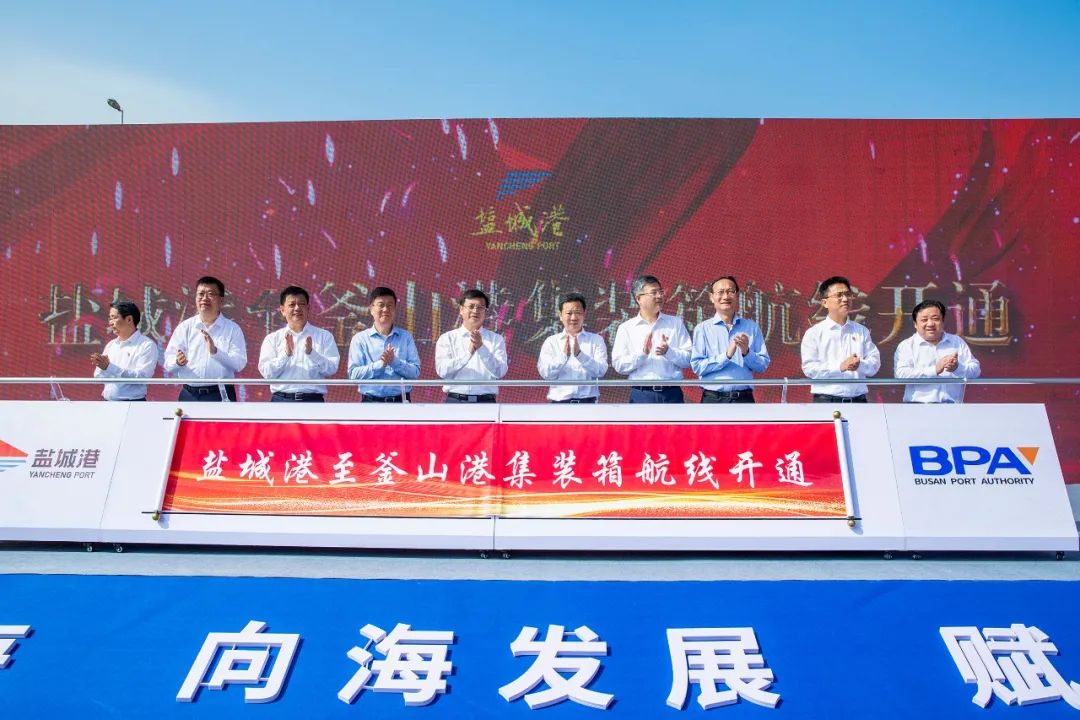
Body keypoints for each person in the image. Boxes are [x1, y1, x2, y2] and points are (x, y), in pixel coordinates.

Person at [163, 276, 247, 402]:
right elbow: (168, 363)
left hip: (221, 394)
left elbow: (239, 364)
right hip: (189, 394)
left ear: (221, 300)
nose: (204, 298)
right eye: (201, 294)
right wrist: (178, 362)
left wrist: (216, 352)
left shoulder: (232, 329)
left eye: (211, 294)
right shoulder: (185, 327)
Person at [611, 275, 692, 403]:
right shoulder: (626, 328)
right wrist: (642, 354)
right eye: (654, 293)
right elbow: (619, 365)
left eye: (660, 292)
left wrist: (668, 352)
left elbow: (689, 359)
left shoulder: (675, 323)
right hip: (642, 394)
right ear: (639, 298)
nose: (659, 296)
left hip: (672, 393)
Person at [800, 275, 881, 403]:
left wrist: (859, 364)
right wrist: (840, 367)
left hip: (859, 401)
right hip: (826, 400)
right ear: (825, 303)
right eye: (839, 295)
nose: (845, 299)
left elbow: (874, 364)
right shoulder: (814, 333)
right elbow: (809, 369)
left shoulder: (861, 331)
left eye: (848, 295)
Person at [690, 276, 770, 403]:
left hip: (743, 399)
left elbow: (762, 365)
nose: (726, 296)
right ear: (711, 297)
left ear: (737, 296)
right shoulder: (702, 329)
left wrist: (746, 352)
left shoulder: (751, 327)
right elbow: (697, 367)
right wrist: (726, 356)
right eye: (720, 292)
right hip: (712, 399)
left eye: (730, 291)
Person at [258, 285, 340, 402]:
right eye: (292, 305)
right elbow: (267, 373)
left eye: (301, 304)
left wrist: (312, 354)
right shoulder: (272, 339)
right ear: (282, 310)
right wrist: (286, 355)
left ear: (308, 308)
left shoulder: (324, 336)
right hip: (281, 401)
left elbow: (331, 369)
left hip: (313, 401)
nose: (297, 308)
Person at [894, 299, 981, 403]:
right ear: (915, 324)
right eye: (924, 320)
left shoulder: (957, 342)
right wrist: (934, 370)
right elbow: (901, 375)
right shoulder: (906, 345)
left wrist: (957, 368)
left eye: (935, 319)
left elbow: (976, 371)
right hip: (917, 407)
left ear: (943, 321)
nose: (930, 324)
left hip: (953, 407)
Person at [347, 287, 421, 402]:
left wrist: (394, 362)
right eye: (381, 305)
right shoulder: (360, 339)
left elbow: (415, 372)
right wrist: (381, 364)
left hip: (401, 402)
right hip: (370, 403)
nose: (385, 309)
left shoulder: (406, 337)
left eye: (390, 305)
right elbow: (354, 375)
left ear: (395, 310)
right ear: (371, 309)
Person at [435, 288, 508, 403]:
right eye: (471, 306)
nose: (475, 311)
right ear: (461, 309)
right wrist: (468, 354)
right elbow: (442, 371)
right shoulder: (447, 338)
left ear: (485, 312)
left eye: (480, 307)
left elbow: (500, 372)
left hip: (486, 402)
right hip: (455, 401)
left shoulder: (496, 339)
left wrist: (481, 348)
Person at [536, 293, 609, 403]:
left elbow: (601, 371)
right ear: (560, 315)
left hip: (588, 403)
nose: (573, 318)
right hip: (560, 403)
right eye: (569, 313)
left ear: (584, 314)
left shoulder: (596, 340)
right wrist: (563, 357)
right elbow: (546, 374)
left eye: (578, 313)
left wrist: (580, 355)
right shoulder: (551, 342)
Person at [91, 300, 158, 401]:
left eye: (114, 318)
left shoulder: (146, 345)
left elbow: (142, 377)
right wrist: (101, 366)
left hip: (133, 404)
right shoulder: (111, 344)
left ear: (129, 319)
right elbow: (98, 376)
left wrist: (109, 367)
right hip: (107, 402)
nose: (110, 323)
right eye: (110, 318)